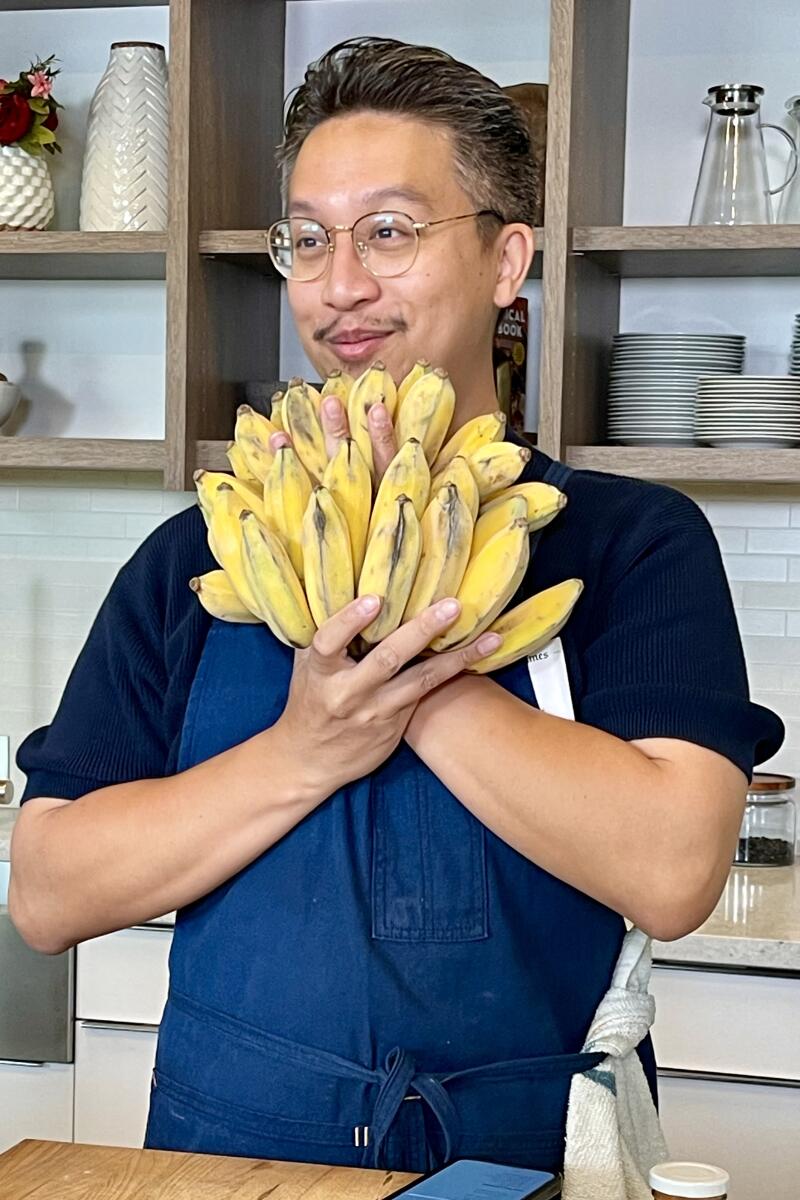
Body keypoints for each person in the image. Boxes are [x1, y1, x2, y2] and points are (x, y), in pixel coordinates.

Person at [10, 37, 783, 1177]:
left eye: (388, 231)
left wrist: (406, 675)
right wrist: (304, 747)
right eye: (308, 238)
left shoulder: (628, 543)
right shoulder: (208, 552)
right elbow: (47, 890)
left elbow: (671, 874)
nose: (338, 285)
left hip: (521, 1154)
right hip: (226, 1149)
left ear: (504, 258)